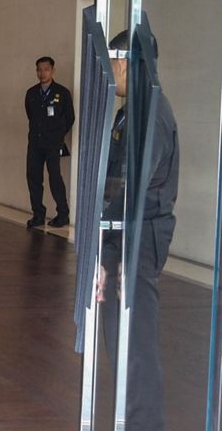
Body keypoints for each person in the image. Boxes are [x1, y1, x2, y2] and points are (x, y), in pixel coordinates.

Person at [98, 29, 178, 431]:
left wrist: (104, 219)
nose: (109, 71)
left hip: (139, 239)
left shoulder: (152, 114)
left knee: (137, 345)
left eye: (112, 61)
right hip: (120, 233)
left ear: (127, 61)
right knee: (119, 338)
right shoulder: (131, 110)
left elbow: (135, 184)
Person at [24, 56, 74, 228]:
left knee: (55, 178)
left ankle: (63, 214)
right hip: (35, 144)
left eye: (46, 69)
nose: (42, 73)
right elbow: (30, 114)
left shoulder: (62, 93)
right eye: (39, 69)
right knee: (33, 178)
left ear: (53, 71)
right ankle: (38, 214)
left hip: (53, 144)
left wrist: (57, 135)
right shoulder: (31, 93)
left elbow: (70, 118)